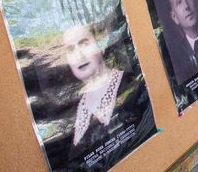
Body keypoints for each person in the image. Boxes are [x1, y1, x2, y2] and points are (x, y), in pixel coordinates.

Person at [58, 22, 154, 169]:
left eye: (84, 44)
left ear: (101, 45)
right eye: (71, 50)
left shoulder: (134, 86)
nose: (79, 55)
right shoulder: (70, 114)